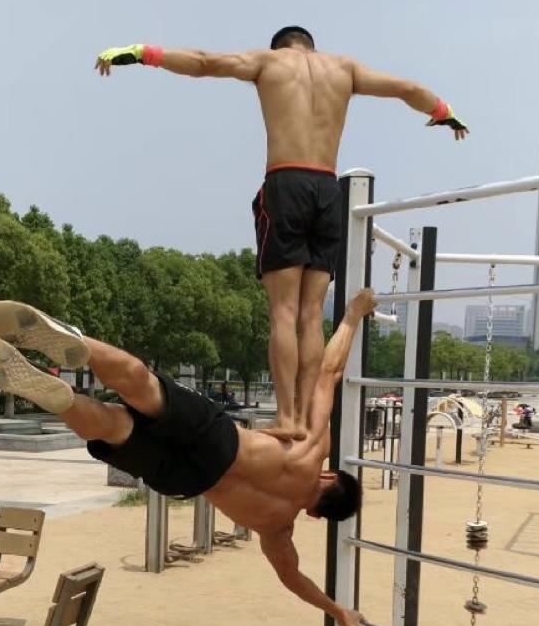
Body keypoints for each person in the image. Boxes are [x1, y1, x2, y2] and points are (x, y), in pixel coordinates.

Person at [94, 28, 468, 438]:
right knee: (312, 315)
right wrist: (443, 110)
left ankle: (287, 418)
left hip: (286, 183)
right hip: (328, 189)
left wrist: (140, 53)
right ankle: (306, 418)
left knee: (284, 313)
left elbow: (202, 62)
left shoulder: (268, 62)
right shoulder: (345, 69)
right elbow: (408, 89)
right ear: (310, 46)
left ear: (280, 47)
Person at [0, 289, 379, 626]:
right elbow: (293, 580)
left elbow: (329, 372)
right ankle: (62, 400)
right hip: (186, 479)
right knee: (112, 427)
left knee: (141, 384)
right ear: (316, 513)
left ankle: (77, 342)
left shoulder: (311, 450)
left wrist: (352, 316)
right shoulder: (277, 529)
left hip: (220, 441)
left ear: (329, 475)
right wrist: (336, 610)